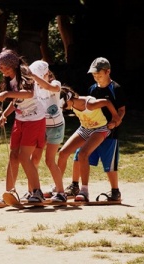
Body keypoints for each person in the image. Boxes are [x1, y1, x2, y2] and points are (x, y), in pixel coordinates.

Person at [66, 57, 126, 201]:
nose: (96, 77)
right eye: (94, 75)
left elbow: (122, 110)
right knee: (79, 155)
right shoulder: (92, 89)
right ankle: (75, 186)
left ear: (108, 72)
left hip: (110, 132)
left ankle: (115, 191)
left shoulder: (116, 88)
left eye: (99, 74)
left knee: (109, 162)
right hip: (92, 131)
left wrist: (115, 121)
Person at [0, 49, 46, 203]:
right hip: (20, 119)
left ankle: (37, 192)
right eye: (0, 67)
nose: (2, 70)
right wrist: (5, 114)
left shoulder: (25, 74)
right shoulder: (10, 79)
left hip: (35, 119)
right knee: (13, 155)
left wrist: (6, 94)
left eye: (5, 67)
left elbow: (28, 94)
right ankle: (9, 193)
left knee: (24, 156)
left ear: (13, 66)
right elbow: (17, 100)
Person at [57, 86, 121, 202]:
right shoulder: (72, 104)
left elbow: (106, 102)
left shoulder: (89, 104)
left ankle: (84, 190)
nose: (65, 108)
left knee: (83, 154)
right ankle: (58, 188)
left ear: (69, 99)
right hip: (85, 128)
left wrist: (115, 117)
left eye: (65, 105)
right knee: (63, 153)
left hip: (100, 128)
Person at [29, 60, 67, 202]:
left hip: (56, 127)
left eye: (39, 77)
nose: (36, 81)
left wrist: (33, 76)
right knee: (34, 159)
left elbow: (49, 86)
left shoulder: (55, 83)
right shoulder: (35, 87)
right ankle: (33, 191)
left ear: (46, 74)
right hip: (42, 126)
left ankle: (61, 192)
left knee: (49, 161)